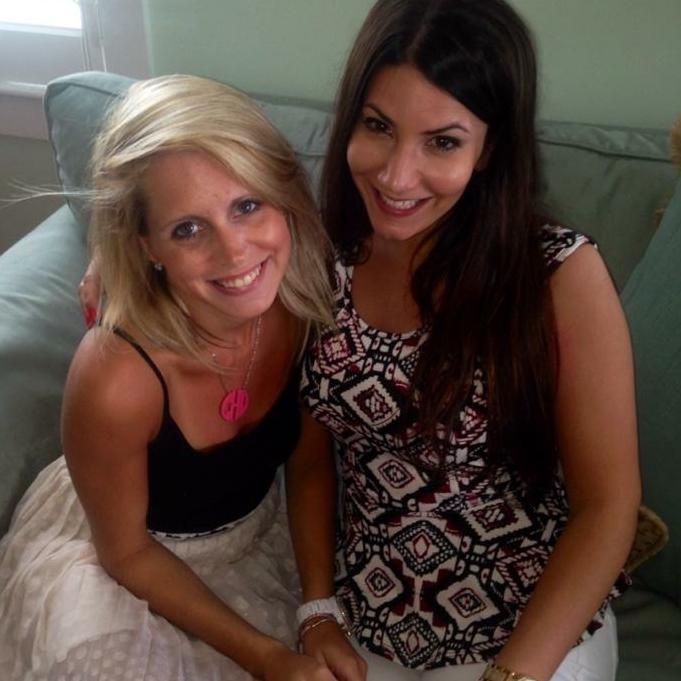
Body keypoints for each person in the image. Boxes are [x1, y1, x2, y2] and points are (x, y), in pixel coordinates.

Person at [289, 2, 640, 681]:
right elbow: (308, 461)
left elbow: (607, 506)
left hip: (527, 627)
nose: (396, 176)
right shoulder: (317, 256)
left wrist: (510, 676)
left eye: (442, 142)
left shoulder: (558, 274)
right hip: (364, 619)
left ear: (490, 150)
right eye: (378, 126)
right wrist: (317, 609)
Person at [0, 74, 339, 681]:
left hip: (256, 539)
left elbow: (310, 459)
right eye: (188, 228)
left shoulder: (302, 298)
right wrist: (266, 656)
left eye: (247, 206)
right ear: (147, 246)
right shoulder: (118, 378)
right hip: (125, 559)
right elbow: (126, 552)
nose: (235, 253)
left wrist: (318, 610)